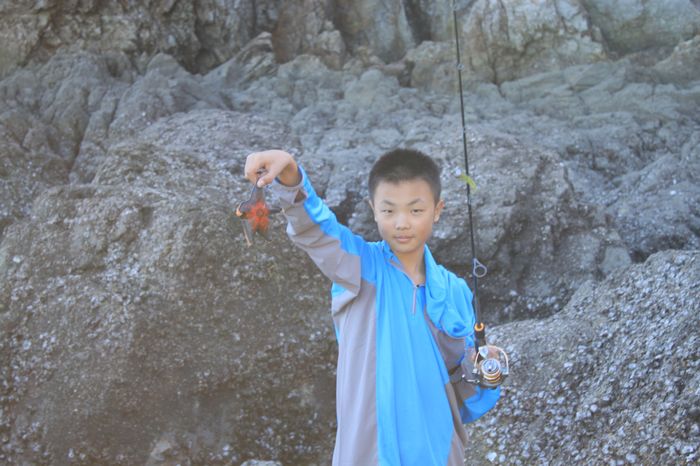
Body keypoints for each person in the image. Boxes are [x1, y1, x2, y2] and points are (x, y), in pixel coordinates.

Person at [244, 148, 500, 466]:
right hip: (367, 454)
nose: (402, 223)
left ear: (437, 210)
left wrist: (483, 370)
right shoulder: (359, 267)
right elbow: (317, 232)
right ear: (373, 210)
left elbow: (463, 397)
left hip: (437, 454)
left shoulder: (455, 291)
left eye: (416, 210)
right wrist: (291, 177)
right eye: (389, 210)